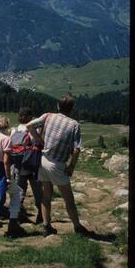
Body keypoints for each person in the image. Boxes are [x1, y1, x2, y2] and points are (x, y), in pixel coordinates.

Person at [26, 94, 92, 237]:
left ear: (58, 106)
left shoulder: (48, 116)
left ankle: (46, 225)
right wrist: (71, 167)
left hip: (43, 159)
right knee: (68, 198)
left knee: (46, 195)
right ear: (72, 109)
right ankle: (77, 226)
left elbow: (29, 126)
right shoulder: (74, 124)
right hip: (57, 163)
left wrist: (39, 141)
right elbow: (76, 149)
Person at [10, 107, 43, 225]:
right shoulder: (33, 130)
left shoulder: (14, 130)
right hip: (33, 165)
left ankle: (16, 216)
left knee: (19, 191)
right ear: (30, 118)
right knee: (38, 192)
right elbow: (40, 143)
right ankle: (41, 215)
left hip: (19, 165)